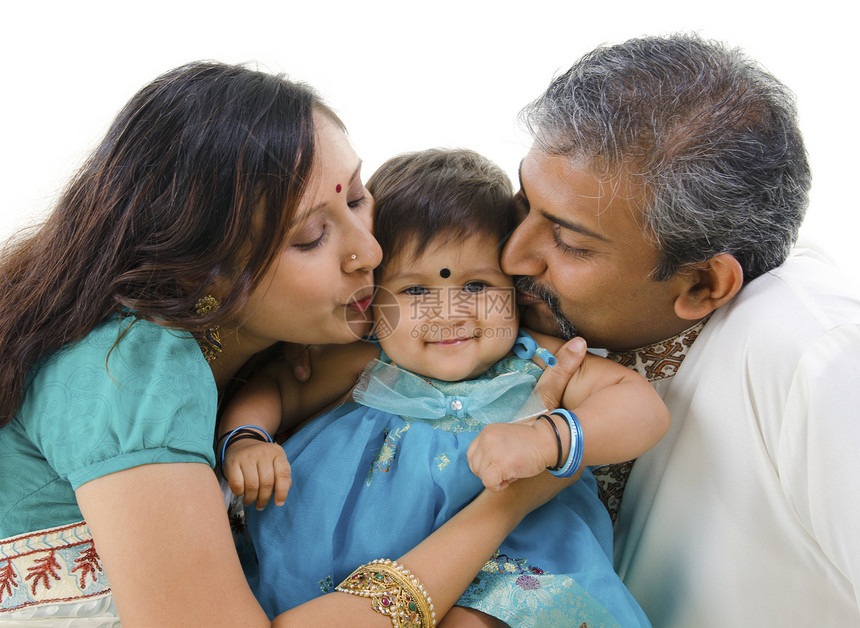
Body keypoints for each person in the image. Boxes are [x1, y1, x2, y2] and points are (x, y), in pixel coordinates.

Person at [0, 62, 586, 627]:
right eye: (311, 237)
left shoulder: (282, 356)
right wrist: (509, 503)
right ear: (202, 274)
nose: (370, 251)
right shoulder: (130, 365)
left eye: (357, 197)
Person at [219, 148, 669, 627]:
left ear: (513, 285)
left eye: (477, 286)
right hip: (350, 570)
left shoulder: (533, 359)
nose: (449, 312)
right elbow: (281, 387)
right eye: (415, 291)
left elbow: (640, 407)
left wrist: (546, 438)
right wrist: (246, 439)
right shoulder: (370, 358)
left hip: (507, 556)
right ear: (374, 297)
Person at [503, 33, 860, 626]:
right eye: (522, 202)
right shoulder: (554, 343)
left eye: (567, 241)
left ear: (702, 285)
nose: (514, 256)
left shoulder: (816, 353)